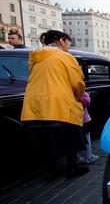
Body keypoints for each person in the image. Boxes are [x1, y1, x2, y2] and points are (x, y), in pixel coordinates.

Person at [20, 30, 88, 180]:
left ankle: (50, 171)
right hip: (59, 103)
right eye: (68, 42)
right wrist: (79, 95)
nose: (68, 46)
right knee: (69, 138)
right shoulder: (65, 57)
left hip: (35, 105)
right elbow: (77, 81)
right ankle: (71, 168)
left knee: (44, 140)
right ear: (61, 41)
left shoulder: (35, 58)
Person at [76, 91, 98, 164]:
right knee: (87, 137)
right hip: (83, 118)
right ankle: (89, 156)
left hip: (72, 118)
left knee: (76, 138)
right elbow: (87, 102)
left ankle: (77, 157)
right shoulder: (80, 89)